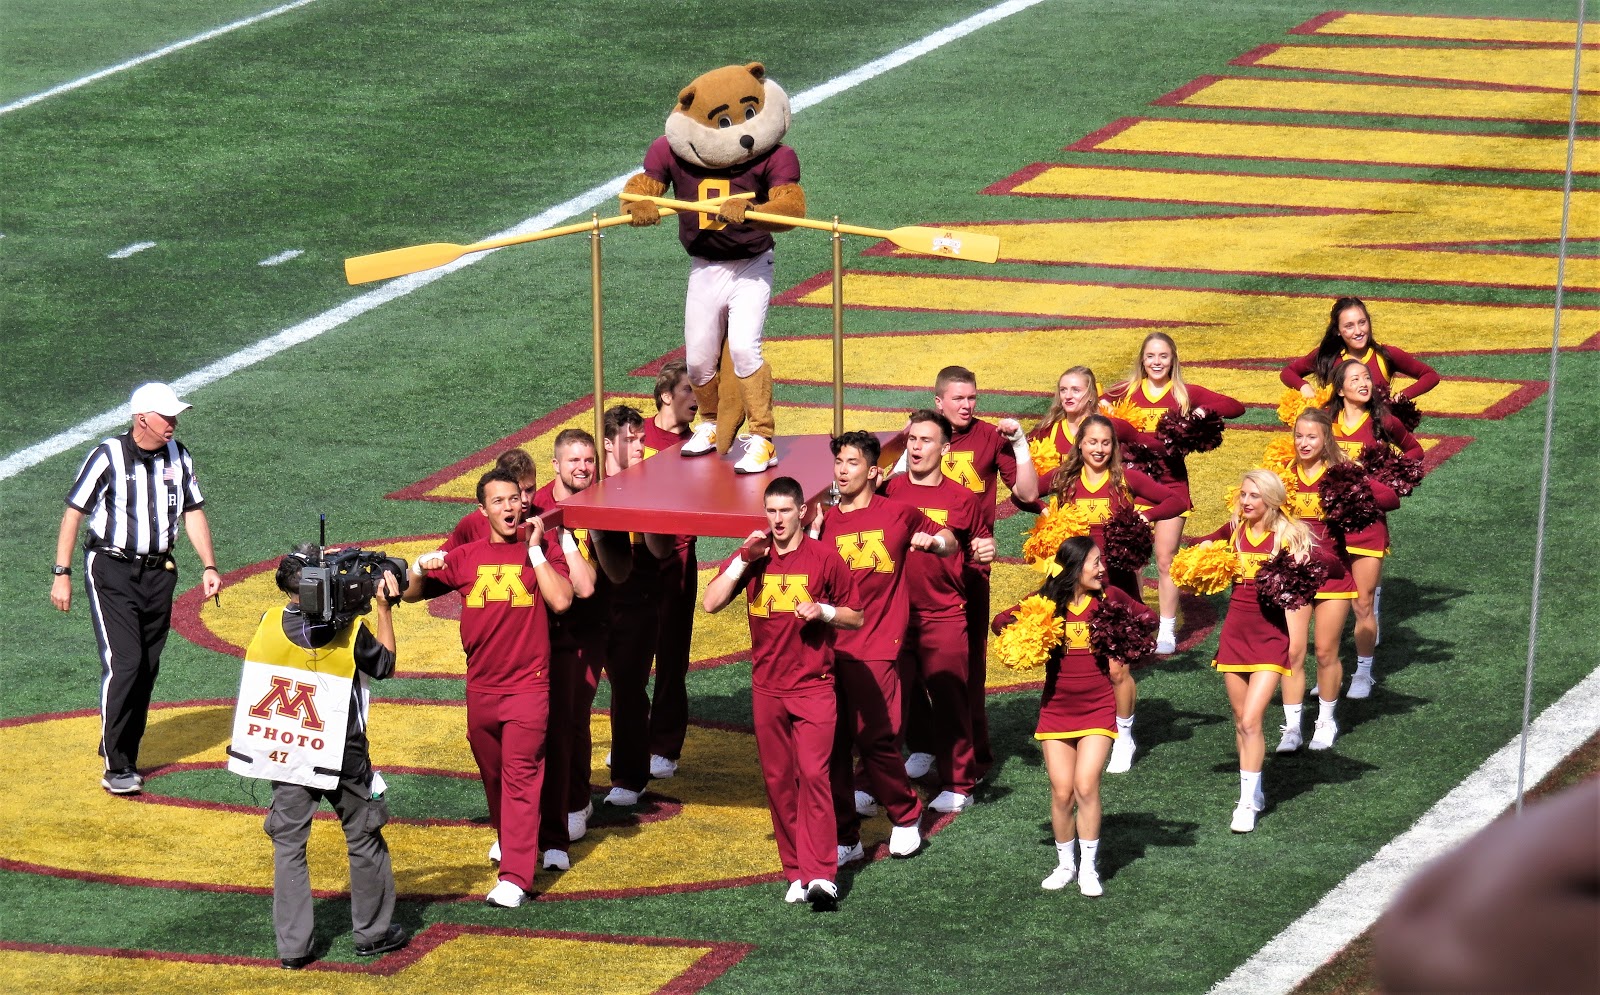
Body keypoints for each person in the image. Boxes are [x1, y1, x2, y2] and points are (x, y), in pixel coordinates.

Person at [403, 469, 574, 908]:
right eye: (498, 501)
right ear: (483, 510)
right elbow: (411, 593)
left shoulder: (544, 548)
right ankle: (514, 838)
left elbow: (561, 600)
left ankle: (515, 877)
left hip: (528, 688)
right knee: (495, 776)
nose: (509, 507)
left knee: (520, 776)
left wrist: (535, 553)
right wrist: (421, 567)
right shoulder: (466, 555)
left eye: (514, 498)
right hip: (480, 687)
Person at [51, 382, 222, 795]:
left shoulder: (179, 456)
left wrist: (209, 565)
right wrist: (62, 572)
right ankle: (117, 765)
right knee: (125, 661)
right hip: (111, 567)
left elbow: (192, 511)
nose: (174, 423)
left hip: (160, 571)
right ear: (141, 418)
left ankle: (123, 747)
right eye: (167, 416)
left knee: (147, 666)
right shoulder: (108, 454)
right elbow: (75, 512)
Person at [703, 476, 862, 910]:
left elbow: (857, 615)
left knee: (814, 776)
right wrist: (741, 559)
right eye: (770, 511)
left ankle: (821, 875)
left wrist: (824, 610)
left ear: (802, 512)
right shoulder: (754, 559)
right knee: (778, 782)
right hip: (767, 689)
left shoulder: (825, 558)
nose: (777, 519)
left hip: (813, 687)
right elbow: (711, 602)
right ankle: (794, 870)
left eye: (785, 510)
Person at [253, 545, 408, 969]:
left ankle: (293, 948)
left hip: (286, 746)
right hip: (343, 748)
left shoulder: (266, 622)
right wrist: (383, 609)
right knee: (363, 835)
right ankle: (373, 934)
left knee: (288, 845)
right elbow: (386, 665)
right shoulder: (348, 631)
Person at [814, 430, 957, 864]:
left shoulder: (899, 513)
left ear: (874, 471)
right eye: (839, 461)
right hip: (830, 648)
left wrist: (933, 543)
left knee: (876, 740)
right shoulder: (823, 522)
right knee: (831, 747)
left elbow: (951, 540)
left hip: (877, 644)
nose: (842, 470)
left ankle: (905, 815)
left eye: (853, 462)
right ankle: (845, 836)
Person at [993, 537, 1153, 896]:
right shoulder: (1047, 603)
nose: (1102, 569)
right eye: (1094, 563)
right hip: (1056, 709)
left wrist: (1124, 639)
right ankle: (1065, 864)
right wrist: (1027, 632)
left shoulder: (1111, 599)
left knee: (1085, 786)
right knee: (1062, 792)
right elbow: (1000, 622)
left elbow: (1148, 618)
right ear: (1074, 568)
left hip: (1097, 708)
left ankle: (1089, 868)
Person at [1048, 414, 1185, 773]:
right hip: (1074, 588)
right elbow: (1026, 492)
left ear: (1114, 447)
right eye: (1092, 441)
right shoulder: (1065, 480)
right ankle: (1080, 725)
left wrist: (1144, 517)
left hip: (1117, 586)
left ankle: (1124, 735)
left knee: (1117, 669)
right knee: (1074, 660)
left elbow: (1175, 501)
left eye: (1105, 443)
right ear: (1080, 444)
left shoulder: (1126, 480)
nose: (1098, 448)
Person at [926, 365, 1039, 778]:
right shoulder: (920, 437)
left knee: (969, 665)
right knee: (908, 661)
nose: (967, 405)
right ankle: (922, 744)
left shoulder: (990, 436)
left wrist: (1022, 446)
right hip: (920, 567)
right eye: (958, 398)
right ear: (938, 401)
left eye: (972, 397)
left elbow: (1027, 494)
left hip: (971, 567)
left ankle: (973, 754)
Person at [1101, 333, 1245, 655]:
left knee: (1166, 560)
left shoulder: (1184, 393)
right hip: (1132, 485)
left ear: (1173, 360)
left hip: (1171, 485)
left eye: (1163, 356)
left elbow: (1236, 407)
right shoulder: (1125, 392)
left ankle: (1166, 630)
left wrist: (1200, 411)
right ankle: (1137, 624)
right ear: (1142, 359)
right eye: (1151, 356)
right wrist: (1105, 407)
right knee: (1131, 561)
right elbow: (1093, 401)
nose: (1156, 362)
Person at [1192, 470, 1316, 833]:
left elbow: (1311, 581)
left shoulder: (1289, 537)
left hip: (1270, 639)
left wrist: (1301, 572)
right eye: (1243, 494)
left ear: (1271, 500)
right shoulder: (1233, 530)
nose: (1245, 501)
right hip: (1234, 635)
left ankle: (1246, 803)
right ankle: (1255, 788)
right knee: (1239, 719)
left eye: (1253, 496)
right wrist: (1198, 553)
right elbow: (1203, 545)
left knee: (1251, 720)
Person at [882, 411, 993, 813]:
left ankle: (959, 783)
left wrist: (986, 551)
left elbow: (982, 547)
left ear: (945, 449)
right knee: (888, 701)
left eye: (926, 440)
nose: (916, 447)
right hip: (892, 614)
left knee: (950, 698)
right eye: (912, 439)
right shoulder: (887, 492)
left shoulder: (962, 499)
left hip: (943, 613)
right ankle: (879, 779)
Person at [1277, 409, 1398, 752]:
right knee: (1293, 651)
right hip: (1296, 577)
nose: (1304, 442)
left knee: (1326, 650)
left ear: (1326, 439)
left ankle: (1326, 721)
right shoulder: (1284, 475)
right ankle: (1292, 727)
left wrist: (1357, 488)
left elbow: (1390, 499)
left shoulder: (1340, 475)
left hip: (1334, 576)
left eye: (1312, 436)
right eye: (1299, 435)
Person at [530, 429, 623, 855]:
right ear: (556, 464)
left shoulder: (605, 500)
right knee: (547, 722)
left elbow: (617, 569)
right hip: (544, 629)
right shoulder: (539, 506)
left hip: (590, 626)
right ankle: (548, 804)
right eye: (574, 461)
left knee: (573, 717)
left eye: (588, 460)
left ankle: (576, 800)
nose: (583, 468)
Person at [1324, 359, 1423, 698]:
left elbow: (1414, 450)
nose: (1364, 382)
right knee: (1327, 604)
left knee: (1363, 603)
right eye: (1355, 378)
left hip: (1368, 525)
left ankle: (1364, 672)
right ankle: (1328, 670)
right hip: (1329, 527)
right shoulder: (1324, 423)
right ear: (1340, 389)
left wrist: (1393, 477)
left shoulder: (1383, 422)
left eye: (1367, 376)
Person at [599, 405, 677, 805]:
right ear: (608, 444)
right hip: (590, 602)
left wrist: (648, 505)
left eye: (643, 439)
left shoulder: (654, 482)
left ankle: (630, 777)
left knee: (629, 688)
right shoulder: (590, 483)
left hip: (637, 598)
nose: (640, 446)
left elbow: (663, 549)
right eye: (631, 440)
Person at [641, 361, 700, 778]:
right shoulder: (635, 434)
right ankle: (632, 737)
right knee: (628, 654)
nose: (696, 398)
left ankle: (664, 745)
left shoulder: (703, 443)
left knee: (672, 656)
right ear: (666, 396)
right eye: (687, 390)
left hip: (678, 556)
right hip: (630, 558)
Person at [1280, 297, 1440, 405]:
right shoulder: (1328, 356)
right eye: (1349, 326)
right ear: (1337, 330)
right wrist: (1303, 386)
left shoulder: (1386, 355)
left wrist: (1401, 397)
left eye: (1362, 323)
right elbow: (1288, 372)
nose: (1358, 331)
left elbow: (1430, 376)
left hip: (1374, 449)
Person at [441, 448, 540, 551]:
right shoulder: (473, 523)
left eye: (529, 490)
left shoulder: (546, 517)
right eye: (518, 492)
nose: (524, 499)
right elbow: (442, 555)